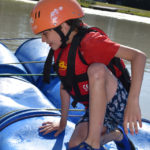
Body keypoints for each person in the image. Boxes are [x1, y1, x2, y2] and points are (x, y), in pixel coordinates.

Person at [30, 0, 146, 149]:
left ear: (63, 27)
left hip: (121, 105)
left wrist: (133, 102)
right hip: (97, 108)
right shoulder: (60, 48)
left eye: (45, 34)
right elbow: (65, 87)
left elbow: (139, 56)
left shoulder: (91, 42)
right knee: (74, 145)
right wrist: (63, 122)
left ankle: (93, 142)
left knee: (96, 69)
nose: (43, 40)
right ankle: (116, 135)